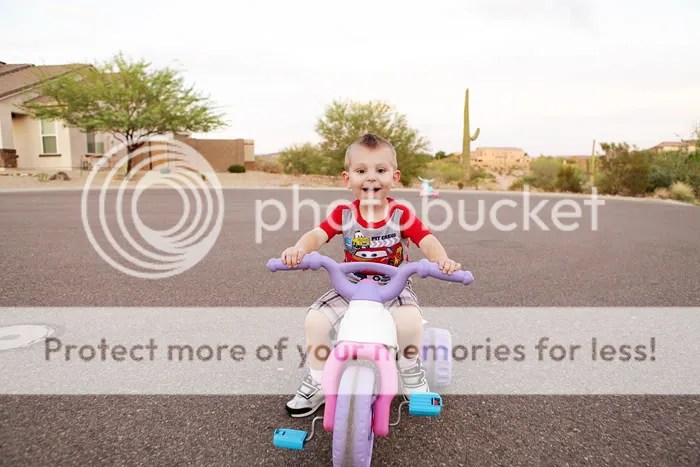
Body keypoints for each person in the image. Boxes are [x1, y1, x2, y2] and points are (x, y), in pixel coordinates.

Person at [280, 133, 461, 417]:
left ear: (394, 177)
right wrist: (300, 249)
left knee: (410, 321)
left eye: (381, 170)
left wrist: (441, 260)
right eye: (361, 171)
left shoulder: (400, 214)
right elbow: (317, 234)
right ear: (347, 178)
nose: (371, 178)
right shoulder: (343, 213)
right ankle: (318, 380)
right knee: (315, 320)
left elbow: (426, 239)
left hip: (394, 284)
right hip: (350, 284)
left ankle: (410, 370)